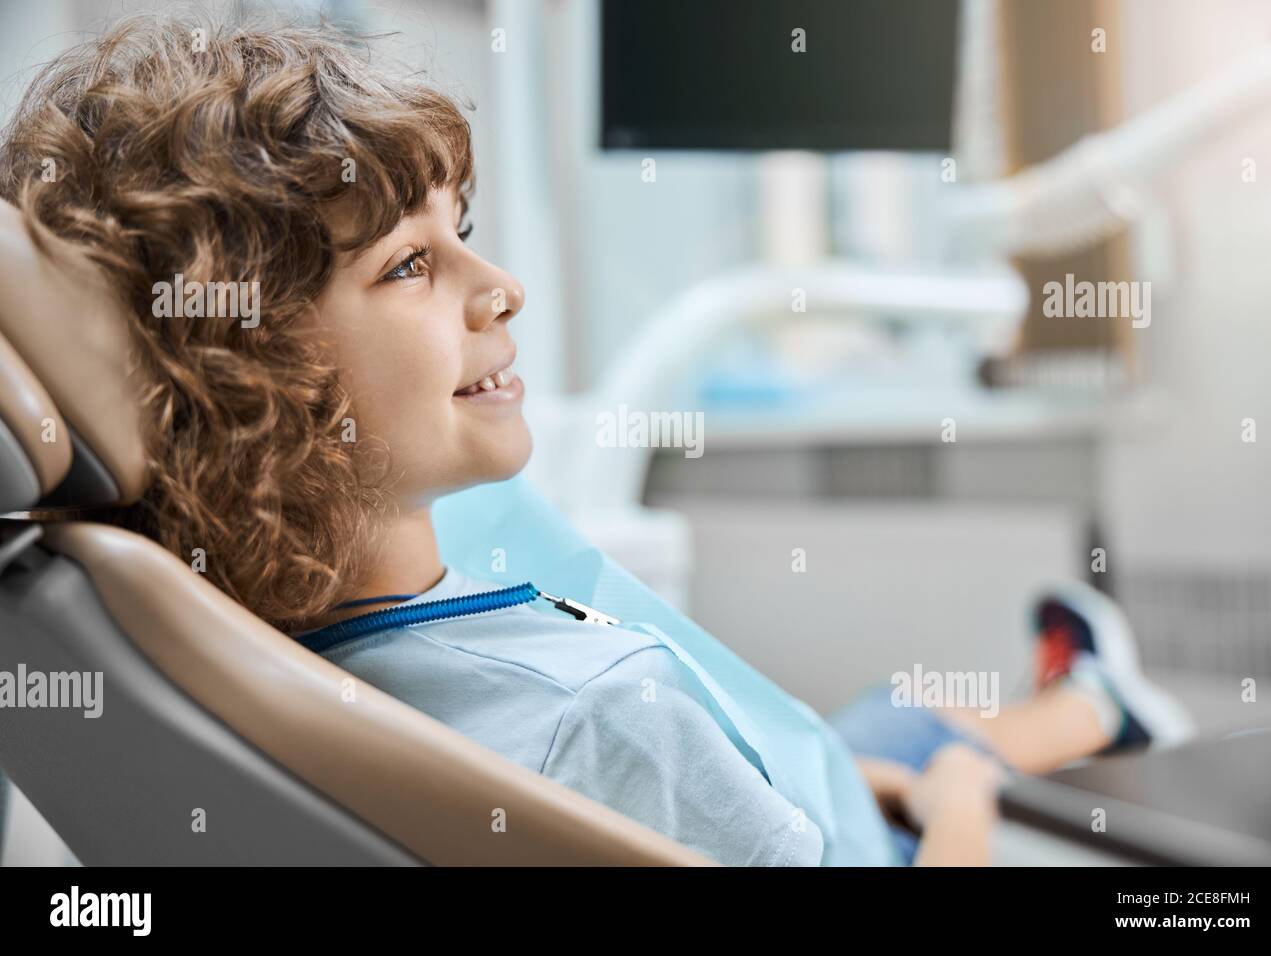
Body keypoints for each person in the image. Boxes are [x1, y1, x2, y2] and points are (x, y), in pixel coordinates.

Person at [0, 14, 1191, 867]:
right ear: (248, 374)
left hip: (785, 788)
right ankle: (1087, 695)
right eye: (410, 264)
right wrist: (964, 798)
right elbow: (634, 754)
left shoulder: (202, 645)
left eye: (461, 233)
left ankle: (1073, 694)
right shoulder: (607, 714)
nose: (500, 286)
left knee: (872, 722)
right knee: (925, 735)